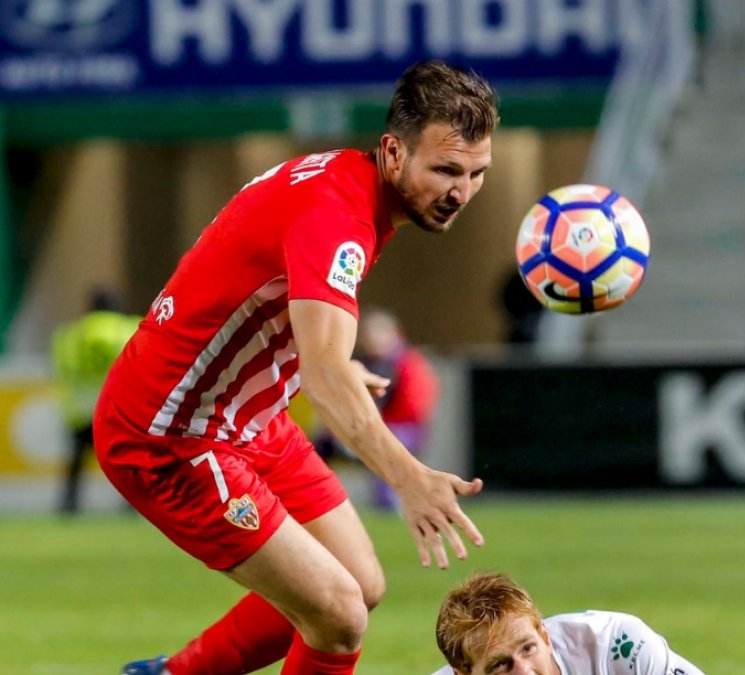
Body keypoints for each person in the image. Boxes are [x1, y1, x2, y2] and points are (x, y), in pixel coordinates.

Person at [102, 60, 497, 675]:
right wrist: (409, 477)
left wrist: (304, 363)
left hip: (248, 414)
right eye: (446, 170)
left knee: (361, 584)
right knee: (339, 617)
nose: (461, 192)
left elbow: (273, 302)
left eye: (477, 174)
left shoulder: (347, 186)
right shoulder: (336, 215)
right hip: (172, 435)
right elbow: (325, 371)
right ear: (393, 153)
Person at [432, 572, 705, 675]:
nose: (525, 672)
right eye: (500, 665)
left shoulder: (619, 649)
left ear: (545, 637)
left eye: (528, 648)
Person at [49, 288, 140, 514]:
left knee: (76, 462)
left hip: (81, 409)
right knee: (128, 460)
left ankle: (69, 504)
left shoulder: (71, 334)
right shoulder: (129, 329)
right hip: (118, 410)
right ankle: (132, 505)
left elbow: (61, 368)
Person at [354, 307, 440, 511]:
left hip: (403, 427)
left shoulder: (400, 362)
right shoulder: (388, 360)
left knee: (381, 452)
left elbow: (411, 402)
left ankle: (390, 505)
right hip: (398, 426)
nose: (371, 341)